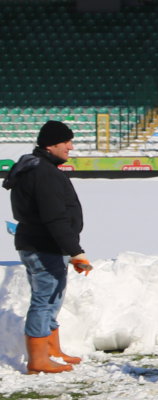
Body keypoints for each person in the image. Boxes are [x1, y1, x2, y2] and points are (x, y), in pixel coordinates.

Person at [4, 121, 92, 374]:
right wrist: (76, 251)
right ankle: (38, 360)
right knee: (44, 301)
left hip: (42, 244)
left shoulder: (38, 167)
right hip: (44, 245)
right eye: (66, 142)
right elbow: (54, 217)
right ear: (50, 144)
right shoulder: (43, 173)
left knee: (52, 297)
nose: (70, 147)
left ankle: (52, 350)